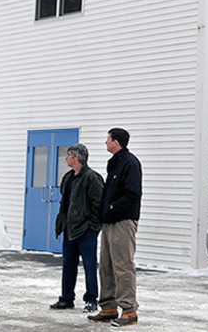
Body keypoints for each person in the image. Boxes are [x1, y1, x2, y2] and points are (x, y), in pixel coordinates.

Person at [87, 128, 142, 327]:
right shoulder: (115, 163)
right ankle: (108, 307)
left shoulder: (130, 163)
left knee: (122, 266)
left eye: (108, 139)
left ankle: (129, 310)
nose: (105, 142)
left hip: (122, 221)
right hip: (109, 221)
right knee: (107, 265)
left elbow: (132, 194)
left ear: (116, 142)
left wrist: (111, 208)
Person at [50, 143, 104, 313]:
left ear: (77, 157)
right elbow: (64, 202)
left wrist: (93, 226)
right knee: (68, 264)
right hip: (69, 229)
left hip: (86, 229)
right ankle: (66, 298)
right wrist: (62, 223)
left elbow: (98, 204)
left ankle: (91, 299)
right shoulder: (68, 177)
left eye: (68, 155)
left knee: (89, 264)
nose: (66, 158)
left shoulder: (91, 177)